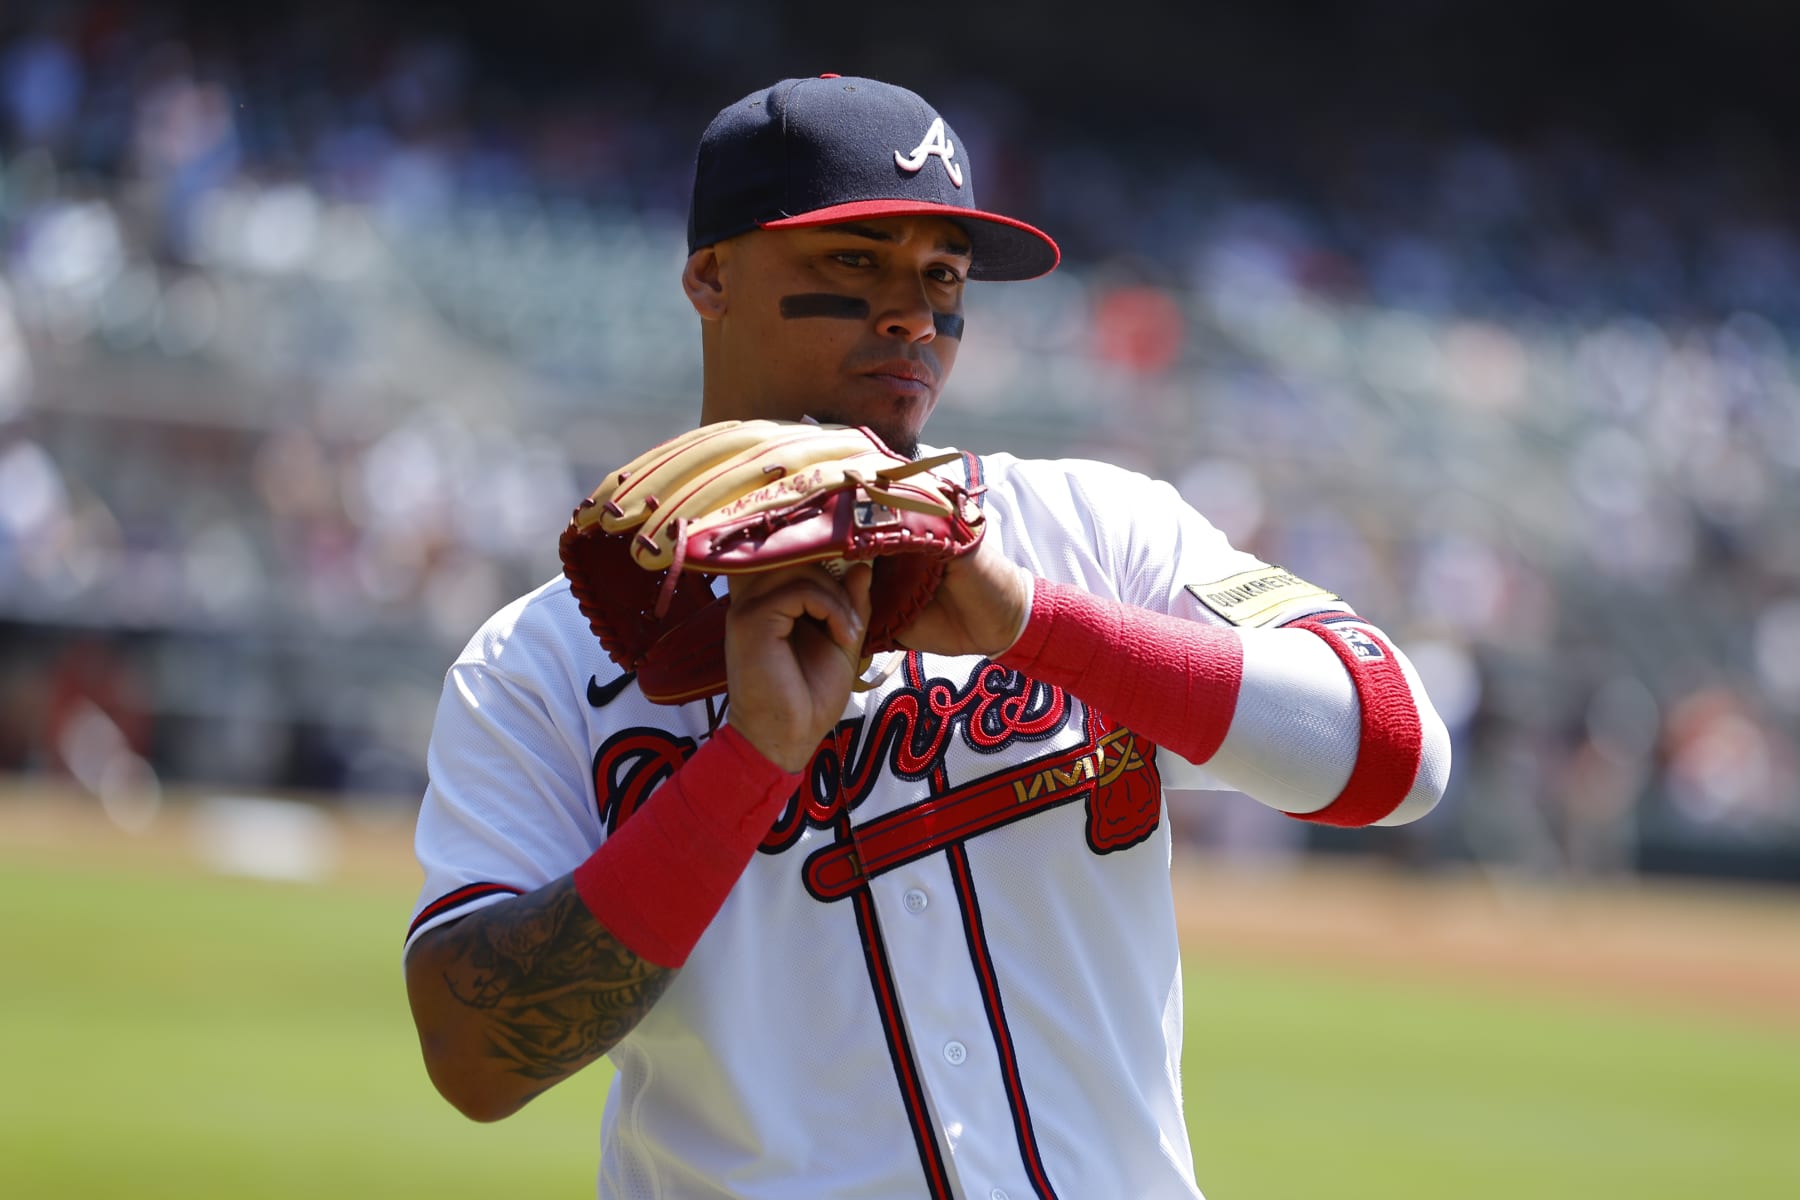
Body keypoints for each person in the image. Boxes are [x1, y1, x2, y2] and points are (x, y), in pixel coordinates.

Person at [403, 74, 1451, 1200]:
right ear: (710, 274)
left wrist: (1036, 624)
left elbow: (1398, 758)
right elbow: (476, 1058)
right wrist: (746, 766)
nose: (911, 312)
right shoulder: (548, 658)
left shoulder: (1089, 532)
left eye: (941, 274)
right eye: (854, 261)